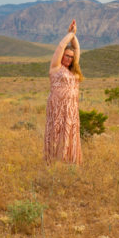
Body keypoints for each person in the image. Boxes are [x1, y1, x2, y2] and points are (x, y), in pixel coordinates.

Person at [44, 19, 84, 165]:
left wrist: (74, 35)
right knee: (56, 135)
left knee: (70, 135)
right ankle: (54, 164)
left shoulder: (73, 69)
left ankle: (69, 163)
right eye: (67, 55)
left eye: (71, 57)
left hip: (71, 109)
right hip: (58, 108)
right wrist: (70, 34)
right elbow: (61, 46)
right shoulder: (55, 67)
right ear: (61, 56)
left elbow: (77, 50)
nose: (69, 58)